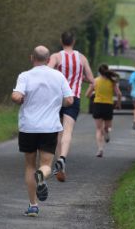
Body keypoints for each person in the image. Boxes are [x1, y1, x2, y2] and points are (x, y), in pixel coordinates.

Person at [12, 45, 74, 217]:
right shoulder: (58, 76)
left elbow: (16, 95)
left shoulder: (24, 76)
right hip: (50, 127)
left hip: (28, 127)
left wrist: (19, 98)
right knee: (45, 165)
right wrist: (56, 103)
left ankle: (33, 206)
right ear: (48, 60)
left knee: (29, 165)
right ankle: (42, 175)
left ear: (32, 58)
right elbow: (69, 100)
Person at [48, 31, 94, 182]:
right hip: (73, 97)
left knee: (57, 132)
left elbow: (46, 72)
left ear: (61, 41)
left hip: (56, 97)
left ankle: (59, 165)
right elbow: (92, 80)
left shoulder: (56, 57)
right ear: (73, 41)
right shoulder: (81, 58)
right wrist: (81, 78)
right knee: (67, 130)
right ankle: (62, 160)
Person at [85, 64, 122, 157]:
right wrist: (118, 103)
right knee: (108, 127)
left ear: (99, 72)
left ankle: (100, 149)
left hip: (97, 105)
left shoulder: (95, 81)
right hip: (108, 105)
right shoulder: (112, 82)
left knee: (98, 129)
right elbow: (119, 94)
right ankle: (107, 132)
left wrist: (93, 95)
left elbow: (87, 95)